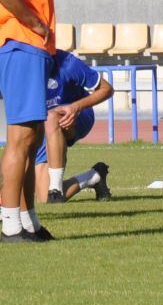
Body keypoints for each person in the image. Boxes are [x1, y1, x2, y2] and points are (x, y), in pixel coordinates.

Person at [0, 0, 61, 243]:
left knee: (33, 136)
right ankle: (8, 223)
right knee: (21, 137)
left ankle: (28, 221)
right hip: (22, 46)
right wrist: (35, 23)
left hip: (29, 50)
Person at [35, 49, 114, 203]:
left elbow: (107, 89)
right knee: (43, 199)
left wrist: (75, 107)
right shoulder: (19, 67)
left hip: (79, 115)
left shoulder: (68, 63)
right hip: (43, 126)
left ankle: (55, 188)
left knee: (52, 117)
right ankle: (93, 177)